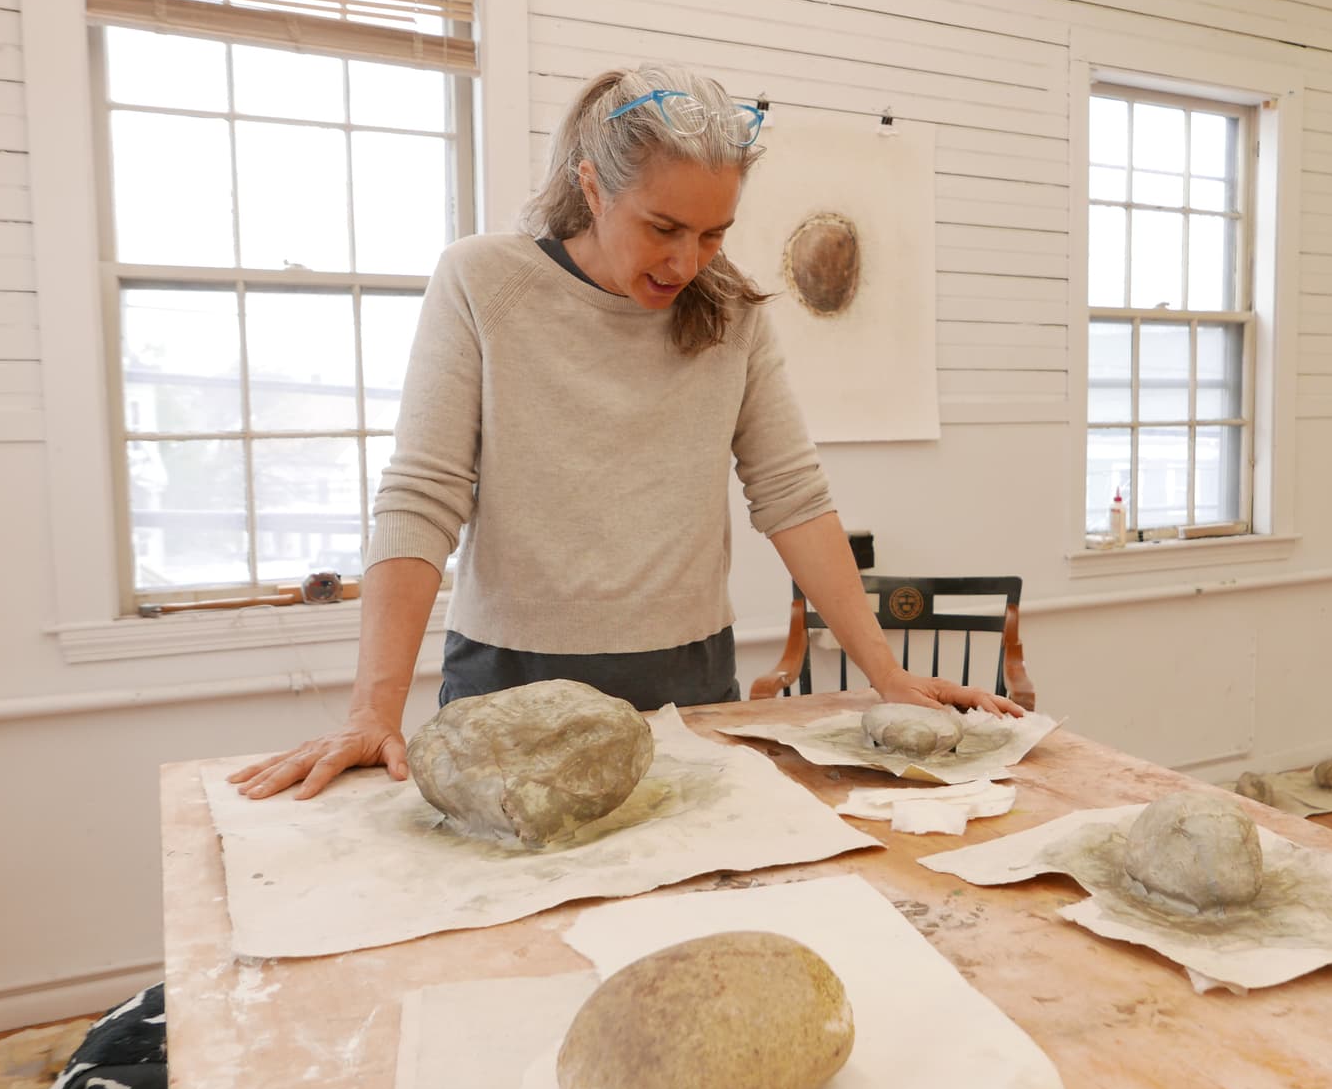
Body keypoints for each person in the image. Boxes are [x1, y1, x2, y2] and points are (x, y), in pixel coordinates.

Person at [230, 64, 1024, 802]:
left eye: (714, 233)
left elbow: (792, 497)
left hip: (687, 675)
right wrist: (374, 710)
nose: (687, 262)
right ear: (591, 188)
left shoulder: (736, 318)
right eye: (664, 227)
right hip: (510, 677)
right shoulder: (482, 282)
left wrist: (884, 671)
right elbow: (422, 495)